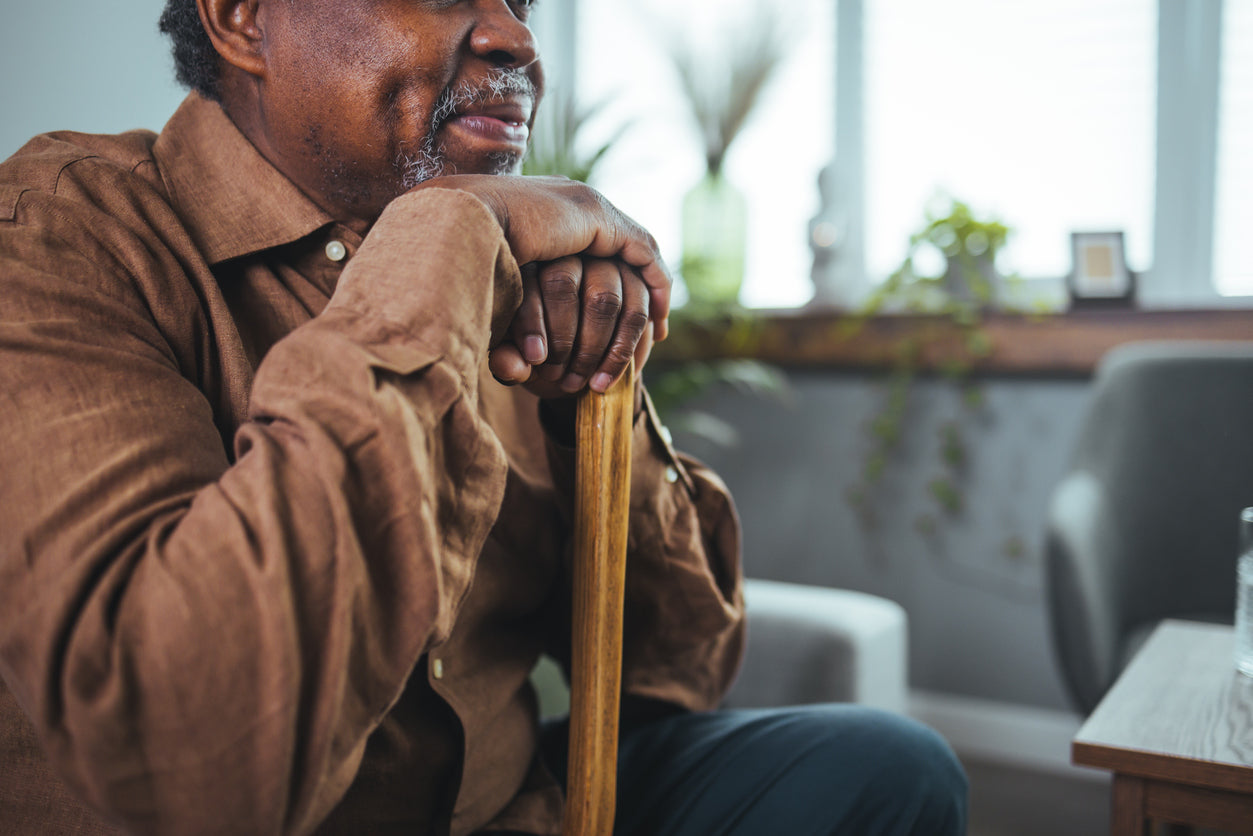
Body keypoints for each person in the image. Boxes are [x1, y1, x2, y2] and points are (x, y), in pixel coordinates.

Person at [0, 1, 968, 833]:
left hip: (515, 807)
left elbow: (673, 675)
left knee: (881, 762)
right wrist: (445, 236)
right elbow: (187, 758)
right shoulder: (55, 236)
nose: (515, 36)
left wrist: (590, 395)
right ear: (243, 17)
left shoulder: (517, 275)